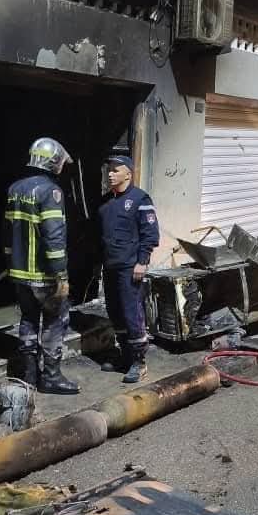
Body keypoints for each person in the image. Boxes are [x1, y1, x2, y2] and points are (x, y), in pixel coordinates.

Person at [6, 137, 79, 395]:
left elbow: (7, 232)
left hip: (19, 273)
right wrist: (61, 274)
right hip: (44, 274)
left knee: (28, 319)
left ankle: (29, 375)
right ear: (53, 161)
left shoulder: (15, 189)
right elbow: (54, 236)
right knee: (55, 320)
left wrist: (10, 263)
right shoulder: (51, 192)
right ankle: (51, 377)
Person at [98, 155, 160, 383]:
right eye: (109, 169)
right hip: (110, 266)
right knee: (115, 311)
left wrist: (142, 261)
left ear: (128, 174)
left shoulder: (140, 199)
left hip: (129, 268)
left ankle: (139, 362)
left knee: (131, 313)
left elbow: (150, 234)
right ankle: (125, 356)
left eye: (116, 170)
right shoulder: (106, 202)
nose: (110, 173)